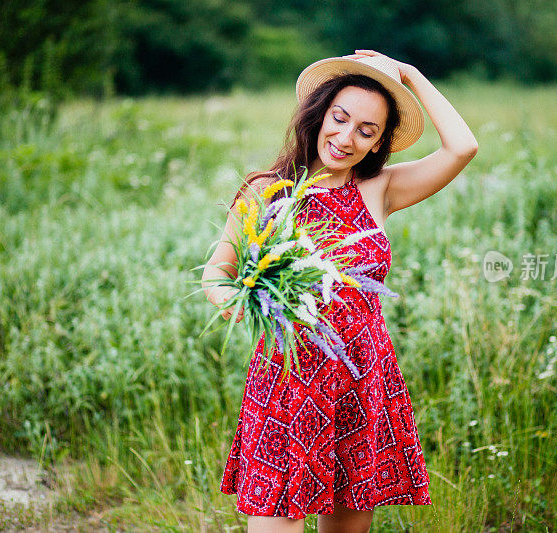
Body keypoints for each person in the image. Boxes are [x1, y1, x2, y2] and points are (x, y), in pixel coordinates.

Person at [201, 49, 478, 533]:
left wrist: (408, 75)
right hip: (284, 383)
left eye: (366, 132)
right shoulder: (266, 191)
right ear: (320, 114)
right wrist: (233, 303)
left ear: (378, 145)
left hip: (360, 382)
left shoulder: (380, 190)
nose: (346, 138)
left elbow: (462, 148)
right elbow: (215, 272)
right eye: (341, 119)